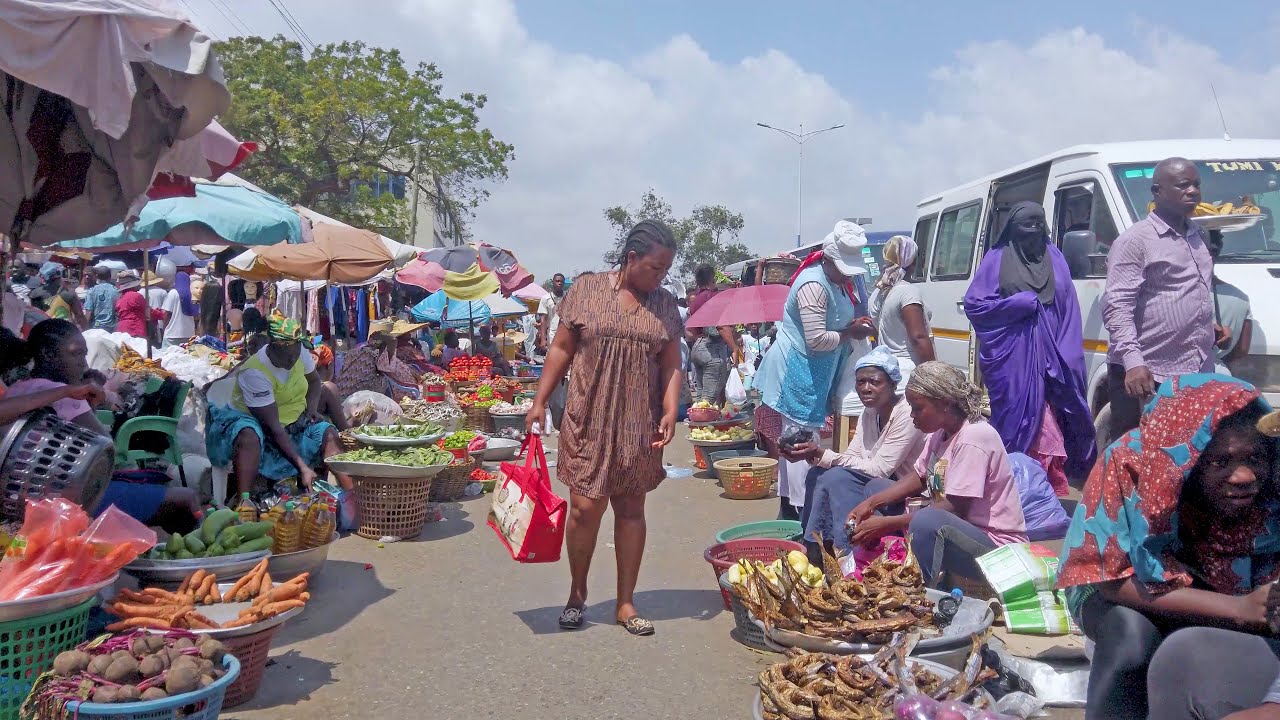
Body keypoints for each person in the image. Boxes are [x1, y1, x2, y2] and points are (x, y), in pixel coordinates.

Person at [1057, 375, 1280, 720]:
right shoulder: (1131, 462)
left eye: (1255, 459)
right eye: (1221, 462)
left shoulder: (1272, 489)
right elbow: (1112, 581)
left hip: (1231, 594)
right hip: (1123, 588)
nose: (1244, 476)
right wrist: (1237, 608)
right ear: (1185, 461)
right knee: (1132, 639)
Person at [526, 220, 683, 636]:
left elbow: (670, 364)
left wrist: (670, 409)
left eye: (666, 270)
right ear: (631, 258)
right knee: (584, 508)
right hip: (589, 417)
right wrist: (539, 401)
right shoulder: (587, 290)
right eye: (655, 268)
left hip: (639, 422)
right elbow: (561, 348)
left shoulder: (664, 304)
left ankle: (625, 603)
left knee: (631, 510)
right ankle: (577, 595)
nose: (660, 277)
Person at [846, 362, 1027, 585]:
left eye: (917, 408)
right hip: (958, 530)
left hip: (994, 548)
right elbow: (920, 476)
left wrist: (886, 524)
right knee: (877, 487)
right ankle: (888, 561)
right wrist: (871, 503)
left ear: (945, 404)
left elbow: (955, 509)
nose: (912, 415)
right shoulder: (940, 432)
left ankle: (918, 593)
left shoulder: (975, 437)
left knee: (927, 520)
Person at [964, 201, 1096, 495]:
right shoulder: (996, 259)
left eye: (1039, 225)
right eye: (1026, 226)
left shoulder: (1055, 257)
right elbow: (975, 304)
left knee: (1054, 420)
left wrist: (1067, 353)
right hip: (1012, 360)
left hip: (1056, 358)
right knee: (1016, 422)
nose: (1033, 232)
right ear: (1012, 228)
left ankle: (1043, 492)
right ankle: (1011, 489)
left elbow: (1068, 307)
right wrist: (1015, 305)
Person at [752, 221, 876, 520]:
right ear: (830, 259)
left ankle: (791, 509)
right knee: (799, 443)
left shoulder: (836, 283)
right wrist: (850, 333)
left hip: (814, 371)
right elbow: (817, 339)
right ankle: (800, 511)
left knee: (796, 440)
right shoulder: (813, 285)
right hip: (799, 370)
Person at [1102, 157, 1218, 441]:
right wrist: (1133, 362)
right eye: (1183, 185)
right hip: (1146, 374)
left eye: (1196, 185)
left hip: (1194, 369)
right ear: (1157, 192)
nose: (1193, 191)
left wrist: (1206, 325)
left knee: (1186, 453)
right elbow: (1117, 307)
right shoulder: (1135, 241)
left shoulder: (1197, 235)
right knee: (1135, 456)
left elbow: (1191, 289)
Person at [785, 348, 925, 562]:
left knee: (836, 477)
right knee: (818, 474)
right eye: (860, 382)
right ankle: (816, 543)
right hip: (878, 481)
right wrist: (814, 455)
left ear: (893, 385)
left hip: (904, 490)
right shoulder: (869, 413)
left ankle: (846, 550)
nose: (866, 389)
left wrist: (827, 456)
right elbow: (853, 457)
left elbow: (881, 469)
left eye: (874, 382)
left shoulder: (906, 413)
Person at [205, 312, 352, 496]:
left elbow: (315, 382)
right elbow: (274, 428)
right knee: (249, 436)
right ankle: (245, 501)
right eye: (288, 355)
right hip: (258, 424)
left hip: (293, 421)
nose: (293, 359)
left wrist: (312, 408)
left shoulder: (299, 353)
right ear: (272, 347)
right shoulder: (254, 372)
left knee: (328, 432)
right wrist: (303, 468)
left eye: (296, 353)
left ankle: (354, 498)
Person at [868, 234, 935, 384]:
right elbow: (918, 338)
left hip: (886, 370)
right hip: (909, 371)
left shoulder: (877, 292)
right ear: (913, 262)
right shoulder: (907, 292)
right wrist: (934, 376)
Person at [687, 264, 739, 405]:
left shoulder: (695, 299)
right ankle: (705, 423)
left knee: (701, 398)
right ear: (712, 278)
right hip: (712, 349)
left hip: (697, 347)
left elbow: (690, 331)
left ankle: (699, 425)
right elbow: (720, 325)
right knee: (709, 400)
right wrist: (734, 348)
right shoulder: (712, 297)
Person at [1208, 229, 1254, 372]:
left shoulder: (1174, 293)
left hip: (1183, 380)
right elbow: (1242, 350)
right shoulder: (1240, 297)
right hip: (1222, 377)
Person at [310, 344, 349, 431]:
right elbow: (345, 430)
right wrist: (355, 419)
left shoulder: (303, 383)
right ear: (330, 365)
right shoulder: (328, 388)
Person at [160, 270, 198, 348]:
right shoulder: (192, 294)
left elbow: (166, 313)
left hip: (172, 333)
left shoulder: (173, 293)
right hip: (189, 333)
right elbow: (196, 315)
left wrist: (164, 328)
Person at [114, 272, 152, 340]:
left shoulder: (120, 297)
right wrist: (161, 314)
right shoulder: (136, 296)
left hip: (122, 328)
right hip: (135, 328)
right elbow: (148, 311)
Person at [536, 273, 566, 352]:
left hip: (566, 334)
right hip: (552, 334)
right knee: (553, 358)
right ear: (553, 282)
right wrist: (543, 339)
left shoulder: (568, 297)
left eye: (561, 281)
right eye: (557, 281)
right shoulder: (546, 298)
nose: (559, 283)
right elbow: (543, 320)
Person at [82, 266, 119, 332]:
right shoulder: (116, 291)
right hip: (111, 328)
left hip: (96, 327)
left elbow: (88, 312)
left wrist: (85, 329)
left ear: (96, 276)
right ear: (110, 277)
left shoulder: (92, 291)